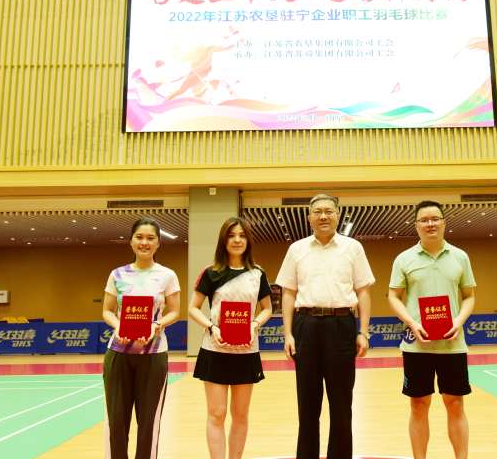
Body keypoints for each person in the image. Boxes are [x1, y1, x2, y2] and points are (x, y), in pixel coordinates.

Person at [276, 193, 374, 459]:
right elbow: (288, 293)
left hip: (341, 324)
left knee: (341, 403)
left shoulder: (353, 247)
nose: (323, 216)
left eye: (329, 211)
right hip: (305, 325)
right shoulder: (297, 249)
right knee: (307, 404)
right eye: (317, 212)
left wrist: (363, 332)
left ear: (338, 216)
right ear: (309, 217)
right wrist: (288, 334)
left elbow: (363, 291)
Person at [388, 200, 476, 459]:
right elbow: (394, 296)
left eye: (435, 219)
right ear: (416, 225)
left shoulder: (460, 256)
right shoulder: (404, 259)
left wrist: (458, 321)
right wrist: (412, 323)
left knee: (455, 404)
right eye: (424, 220)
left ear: (444, 222)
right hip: (417, 346)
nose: (430, 224)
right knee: (419, 405)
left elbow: (469, 297)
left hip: (453, 345)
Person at [189, 217, 273, 459]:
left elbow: (267, 309)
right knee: (216, 414)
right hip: (215, 350)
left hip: (246, 351)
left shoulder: (258, 273)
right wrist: (212, 327)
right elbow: (193, 308)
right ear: (223, 240)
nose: (237, 240)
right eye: (232, 235)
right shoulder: (211, 272)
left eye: (242, 235)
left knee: (240, 414)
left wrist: (254, 324)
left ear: (248, 240)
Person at [102, 218, 181, 459]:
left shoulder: (167, 275)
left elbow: (174, 313)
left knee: (149, 424)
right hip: (118, 354)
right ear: (131, 241)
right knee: (116, 422)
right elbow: (107, 311)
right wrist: (118, 326)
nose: (144, 242)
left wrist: (156, 325)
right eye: (139, 237)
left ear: (158, 243)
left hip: (153, 355)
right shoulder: (117, 274)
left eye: (150, 238)